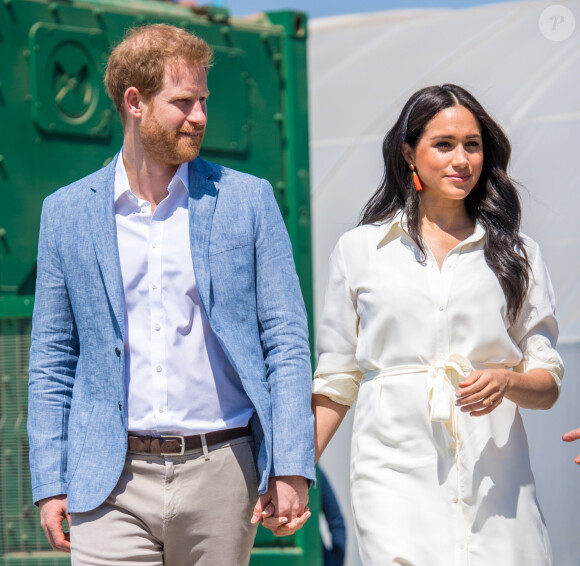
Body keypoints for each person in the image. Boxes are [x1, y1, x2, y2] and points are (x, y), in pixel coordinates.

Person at [27, 23, 314, 566]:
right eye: (183, 102)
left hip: (224, 473)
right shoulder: (66, 213)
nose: (200, 116)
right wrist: (50, 480)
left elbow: (287, 341)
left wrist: (291, 464)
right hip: (108, 482)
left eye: (203, 100)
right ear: (134, 102)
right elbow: (51, 360)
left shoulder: (247, 201)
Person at [311, 84, 564, 566]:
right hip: (393, 470)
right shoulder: (360, 250)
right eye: (443, 145)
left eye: (472, 144)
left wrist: (508, 380)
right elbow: (336, 377)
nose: (462, 159)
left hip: (497, 480)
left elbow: (548, 382)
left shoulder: (519, 254)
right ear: (409, 153)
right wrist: (295, 472)